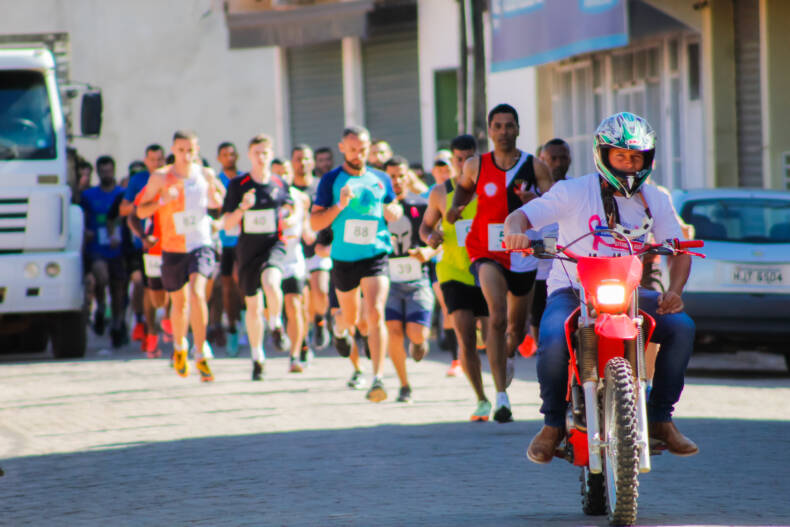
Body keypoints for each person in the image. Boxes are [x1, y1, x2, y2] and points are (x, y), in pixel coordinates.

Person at [503, 111, 699, 463]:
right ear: (603, 155)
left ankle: (660, 418)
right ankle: (552, 425)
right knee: (552, 336)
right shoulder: (573, 191)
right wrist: (514, 231)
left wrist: (675, 291)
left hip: (629, 293)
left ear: (648, 160)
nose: (629, 164)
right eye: (620, 156)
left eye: (636, 157)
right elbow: (522, 216)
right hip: (572, 290)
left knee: (681, 327)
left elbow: (679, 249)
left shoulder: (655, 199)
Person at [447, 104, 553, 423]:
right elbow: (462, 191)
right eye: (498, 126)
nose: (504, 131)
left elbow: (554, 206)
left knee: (516, 330)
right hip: (486, 249)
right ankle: (501, 396)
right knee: (497, 317)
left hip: (522, 252)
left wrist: (534, 202)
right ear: (490, 131)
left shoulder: (535, 166)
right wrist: (454, 209)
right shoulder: (475, 164)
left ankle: (507, 354)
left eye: (509, 126)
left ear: (518, 129)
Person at [310, 125, 402, 402]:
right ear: (342, 148)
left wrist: (394, 210)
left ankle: (378, 378)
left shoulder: (380, 178)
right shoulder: (330, 180)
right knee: (351, 320)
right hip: (344, 258)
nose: (358, 154)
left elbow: (394, 207)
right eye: (352, 149)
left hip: (376, 254)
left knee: (375, 312)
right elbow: (314, 222)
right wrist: (339, 205)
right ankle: (338, 327)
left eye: (362, 149)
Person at [136, 130, 225, 382]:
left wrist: (215, 195)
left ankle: (201, 351)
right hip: (173, 248)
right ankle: (179, 346)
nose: (186, 155)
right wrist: (161, 201)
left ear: (197, 150)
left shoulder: (205, 174)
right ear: (173, 150)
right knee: (180, 303)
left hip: (201, 244)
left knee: (197, 293)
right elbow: (141, 212)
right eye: (181, 150)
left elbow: (219, 202)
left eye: (191, 150)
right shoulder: (160, 177)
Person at [421, 134, 493, 421]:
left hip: (488, 270)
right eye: (459, 159)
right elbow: (425, 227)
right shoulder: (441, 192)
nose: (464, 165)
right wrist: (431, 238)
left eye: (469, 159)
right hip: (453, 271)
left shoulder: (490, 188)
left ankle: (501, 389)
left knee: (493, 338)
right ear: (452, 160)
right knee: (465, 336)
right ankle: (482, 399)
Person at [221, 134, 294, 381]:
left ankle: (276, 324)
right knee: (253, 306)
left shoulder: (279, 183)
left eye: (265, 153)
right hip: (247, 250)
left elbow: (291, 209)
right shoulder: (238, 185)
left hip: (274, 244)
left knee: (271, 283)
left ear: (271, 155)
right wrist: (242, 207)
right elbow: (227, 223)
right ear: (249, 155)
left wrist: (290, 216)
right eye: (256, 153)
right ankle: (257, 357)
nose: (261, 158)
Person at [383, 156, 437, 403]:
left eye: (401, 176)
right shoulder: (377, 207)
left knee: (416, 334)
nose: (396, 181)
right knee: (394, 331)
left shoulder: (421, 204)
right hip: (388, 281)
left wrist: (427, 252)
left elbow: (439, 238)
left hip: (417, 280)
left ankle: (418, 342)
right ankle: (404, 385)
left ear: (409, 177)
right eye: (391, 176)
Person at [118, 145, 167, 352]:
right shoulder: (139, 181)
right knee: (147, 288)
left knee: (173, 289)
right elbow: (126, 211)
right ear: (146, 161)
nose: (156, 163)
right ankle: (149, 330)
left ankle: (172, 330)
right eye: (152, 159)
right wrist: (148, 205)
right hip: (147, 245)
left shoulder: (172, 178)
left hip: (172, 244)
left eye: (159, 159)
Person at [81, 155, 127, 347]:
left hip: (118, 247)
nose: (106, 174)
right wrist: (85, 231)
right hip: (97, 247)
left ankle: (117, 323)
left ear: (114, 170)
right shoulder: (88, 195)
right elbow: (81, 217)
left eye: (109, 170)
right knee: (101, 276)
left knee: (118, 288)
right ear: (98, 172)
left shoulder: (123, 193)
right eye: (103, 171)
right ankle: (100, 307)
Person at [528, 138, 572, 343]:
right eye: (552, 158)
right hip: (539, 274)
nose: (558, 163)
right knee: (539, 328)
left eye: (563, 157)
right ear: (541, 159)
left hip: (572, 274)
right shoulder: (528, 192)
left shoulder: (578, 189)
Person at [291, 144, 332, 351]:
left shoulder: (321, 186)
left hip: (319, 248)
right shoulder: (287, 190)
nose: (303, 163)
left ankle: (320, 321)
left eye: (306, 158)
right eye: (298, 159)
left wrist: (329, 243)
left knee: (321, 290)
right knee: (301, 299)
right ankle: (304, 341)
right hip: (294, 251)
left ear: (313, 162)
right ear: (292, 162)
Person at [279, 156, 315, 372]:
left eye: (285, 172)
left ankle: (295, 354)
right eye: (277, 173)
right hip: (271, 260)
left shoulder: (301, 198)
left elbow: (307, 230)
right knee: (273, 307)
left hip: (293, 260)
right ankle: (277, 330)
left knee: (295, 306)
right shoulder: (266, 196)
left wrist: (309, 232)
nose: (282, 177)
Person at [213, 141, 243, 356]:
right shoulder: (215, 181)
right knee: (226, 286)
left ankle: (244, 321)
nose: (229, 158)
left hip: (244, 240)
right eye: (224, 154)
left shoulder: (245, 179)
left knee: (242, 281)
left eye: (232, 154)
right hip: (224, 242)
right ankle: (231, 327)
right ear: (219, 158)